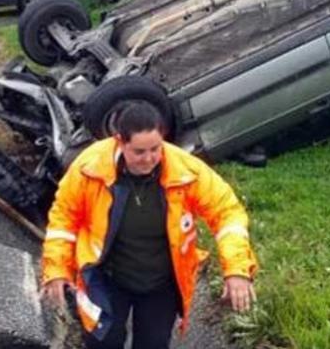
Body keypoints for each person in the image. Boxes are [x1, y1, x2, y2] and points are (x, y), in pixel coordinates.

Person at [40, 103, 258, 349]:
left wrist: (237, 270)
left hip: (160, 283)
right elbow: (63, 220)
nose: (149, 159)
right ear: (120, 142)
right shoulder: (89, 168)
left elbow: (227, 212)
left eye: (155, 149)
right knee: (102, 342)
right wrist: (57, 270)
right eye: (139, 152)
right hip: (107, 278)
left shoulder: (186, 171)